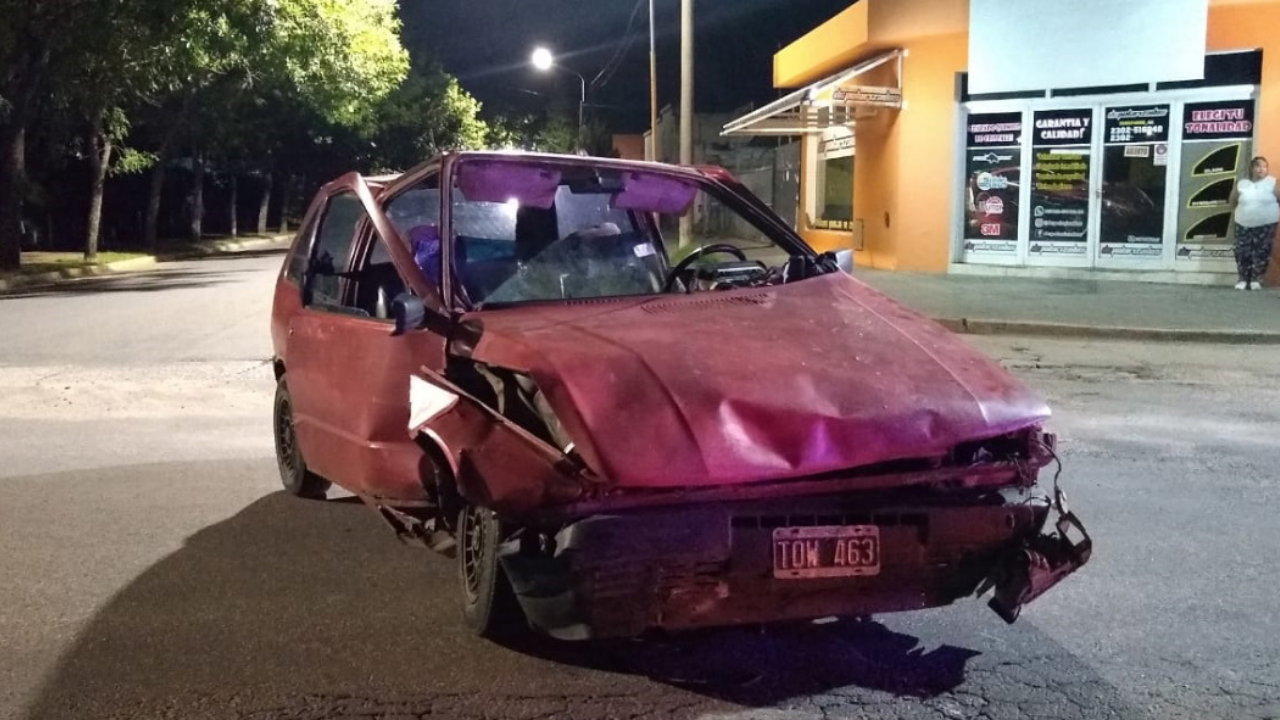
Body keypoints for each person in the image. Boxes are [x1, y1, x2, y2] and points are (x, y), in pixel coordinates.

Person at [1229, 156, 1280, 290]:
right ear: (1252, 169)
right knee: (1242, 251)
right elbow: (1232, 201)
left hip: (1266, 224)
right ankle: (1242, 279)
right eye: (1258, 166)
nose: (1261, 169)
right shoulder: (1241, 183)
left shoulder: (1274, 182)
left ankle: (1256, 279)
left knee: (1262, 252)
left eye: (1264, 166)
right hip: (1242, 223)